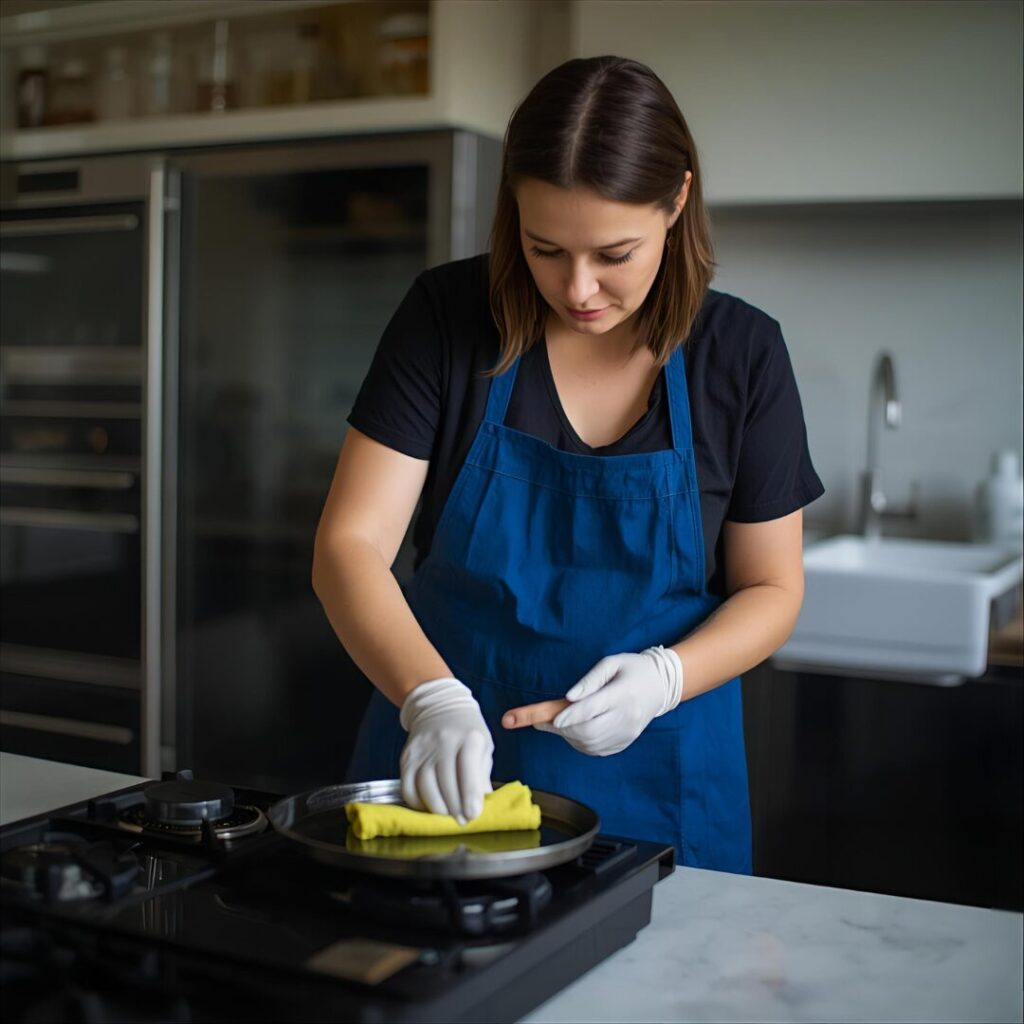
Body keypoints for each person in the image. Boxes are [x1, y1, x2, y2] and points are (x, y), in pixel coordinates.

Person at [312, 56, 823, 873]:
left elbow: (774, 587)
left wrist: (664, 677)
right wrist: (430, 699)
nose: (577, 288)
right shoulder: (446, 320)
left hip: (665, 795)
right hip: (449, 778)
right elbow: (349, 546)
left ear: (677, 200)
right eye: (544, 247)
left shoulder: (743, 354)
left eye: (613, 253)